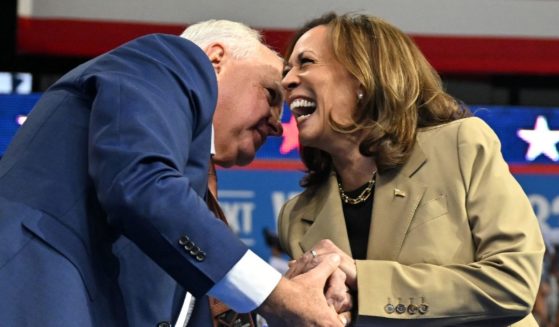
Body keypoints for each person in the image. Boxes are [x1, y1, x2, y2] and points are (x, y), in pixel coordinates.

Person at [0, 19, 345, 327]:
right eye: (270, 93)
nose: (276, 124)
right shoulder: (170, 59)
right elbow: (140, 185)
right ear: (216, 59)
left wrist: (290, 312)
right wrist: (280, 296)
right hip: (32, 290)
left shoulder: (188, 197)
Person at [278, 12, 545, 326]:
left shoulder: (461, 145)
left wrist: (365, 281)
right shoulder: (296, 218)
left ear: (363, 77)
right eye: (286, 70)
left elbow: (513, 282)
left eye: (306, 62)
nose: (287, 81)